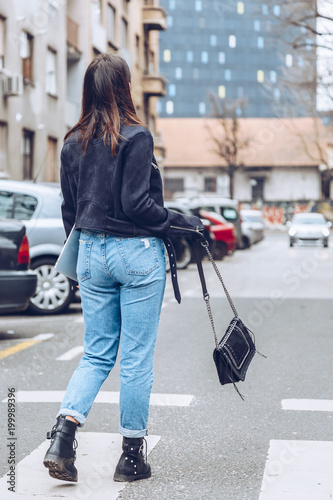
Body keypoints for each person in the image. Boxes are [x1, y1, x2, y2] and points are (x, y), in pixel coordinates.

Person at [43, 54, 203, 483]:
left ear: (89, 89)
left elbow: (69, 210)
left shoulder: (72, 142)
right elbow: (138, 205)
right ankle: (131, 459)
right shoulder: (136, 136)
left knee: (96, 353)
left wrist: (85, 252)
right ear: (125, 87)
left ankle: (62, 437)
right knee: (134, 359)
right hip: (135, 254)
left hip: (90, 250)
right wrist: (180, 222)